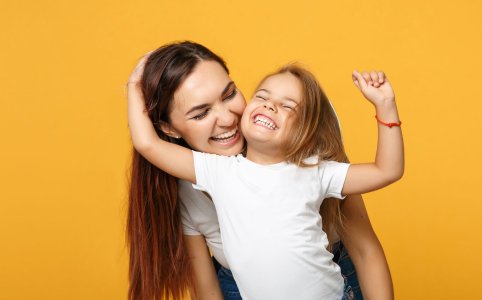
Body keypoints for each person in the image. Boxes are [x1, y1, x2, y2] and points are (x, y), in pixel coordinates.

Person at [128, 45, 404, 299]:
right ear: (168, 128)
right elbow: (146, 144)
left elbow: (366, 246)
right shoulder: (207, 176)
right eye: (201, 114)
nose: (227, 119)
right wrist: (133, 86)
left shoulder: (307, 148)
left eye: (229, 95)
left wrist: (386, 109)